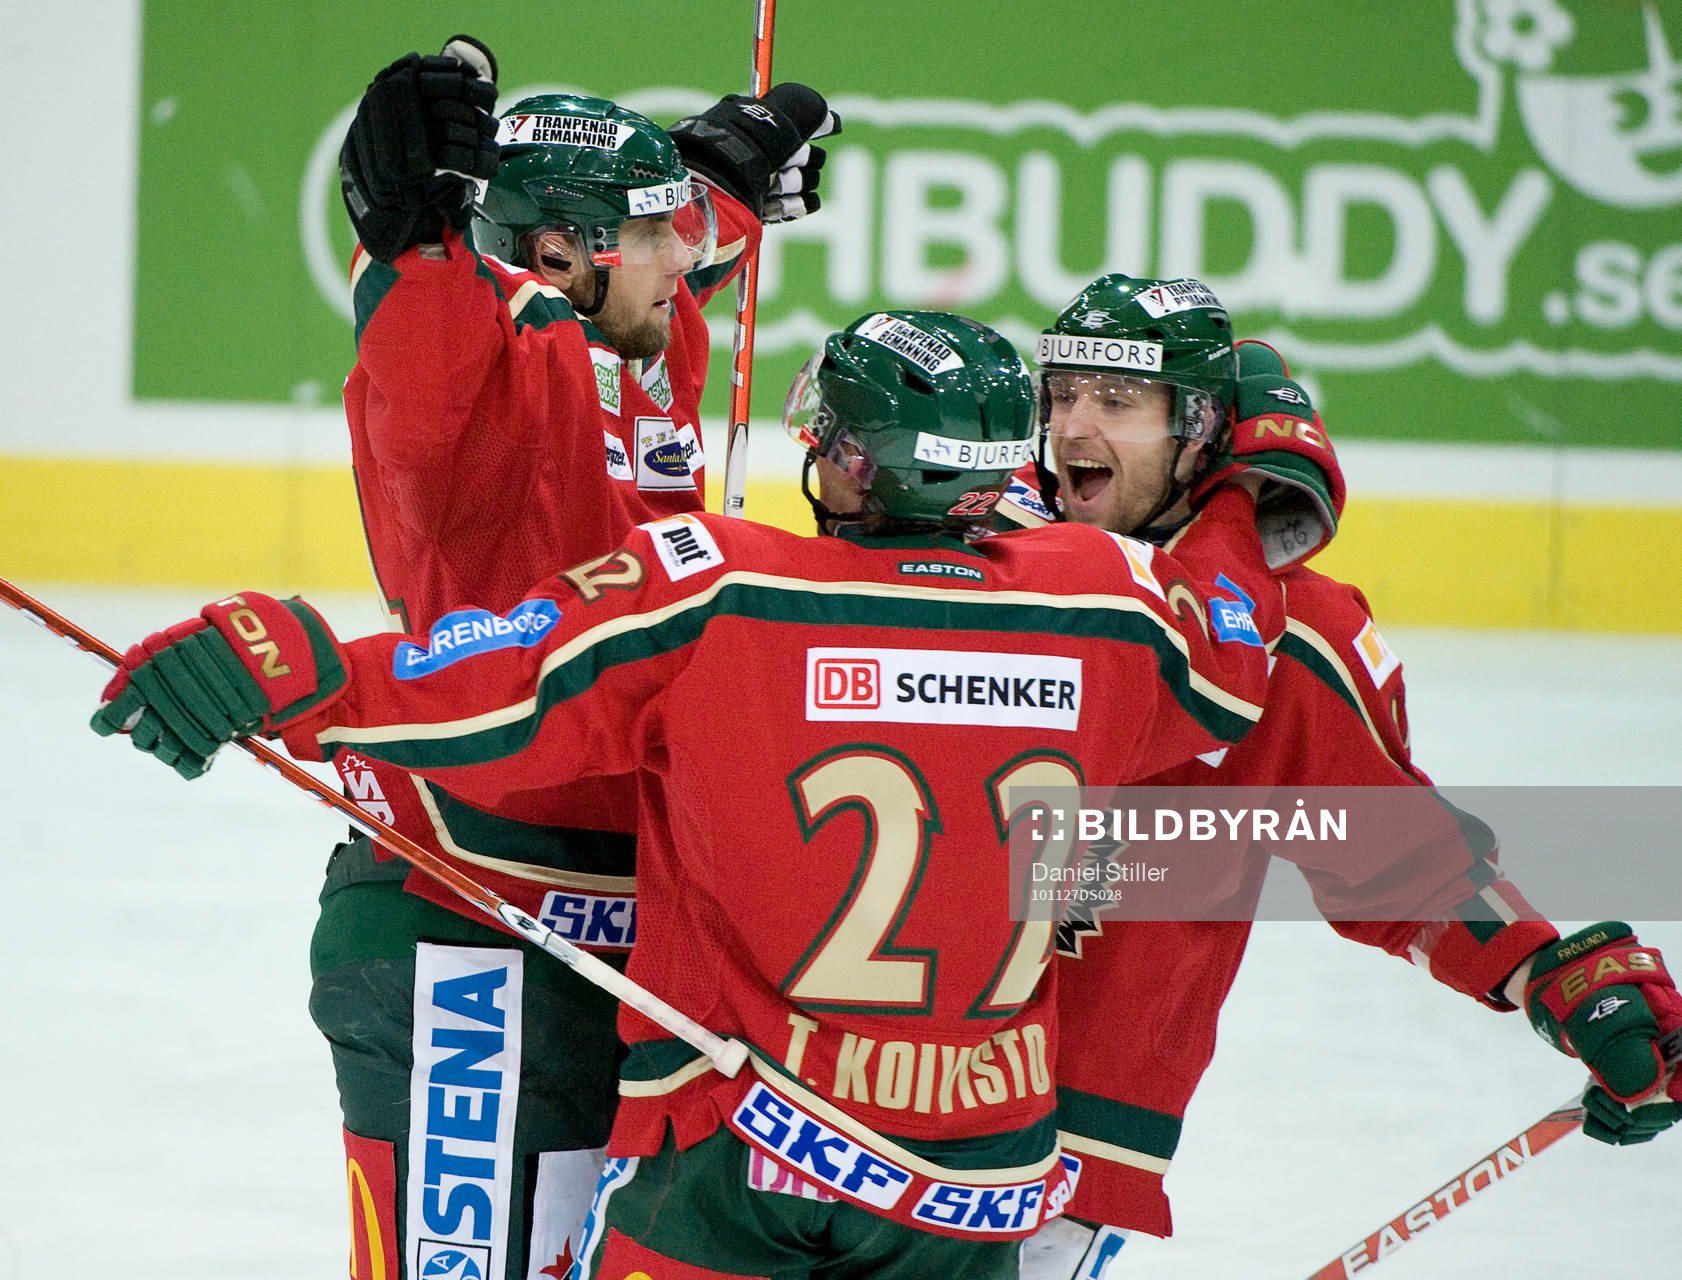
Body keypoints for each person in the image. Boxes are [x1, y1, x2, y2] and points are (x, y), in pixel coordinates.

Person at [90, 310, 1331, 1277]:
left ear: (850, 461)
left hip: (745, 1147)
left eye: (1118, 399)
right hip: (982, 1180)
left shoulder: (726, 591)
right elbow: (1245, 683)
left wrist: (295, 669)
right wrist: (1247, 491)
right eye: (1068, 398)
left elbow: (498, 689)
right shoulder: (1114, 605)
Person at [1001, 276, 1682, 1278]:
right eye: (1061, 394)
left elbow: (1394, 859)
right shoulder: (974, 553)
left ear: (1198, 426)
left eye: (1115, 399)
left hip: (1049, 1138)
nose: (1071, 427)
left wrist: (1553, 970)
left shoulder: (1293, 641)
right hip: (830, 1089)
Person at [322, 34, 837, 1278]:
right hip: (476, 927)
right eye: (661, 235)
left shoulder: (649, 333)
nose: (696, 256)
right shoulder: (472, 379)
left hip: (649, 920)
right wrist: (404, 237)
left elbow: (664, 247)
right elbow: (433, 335)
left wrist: (703, 174)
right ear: (557, 255)